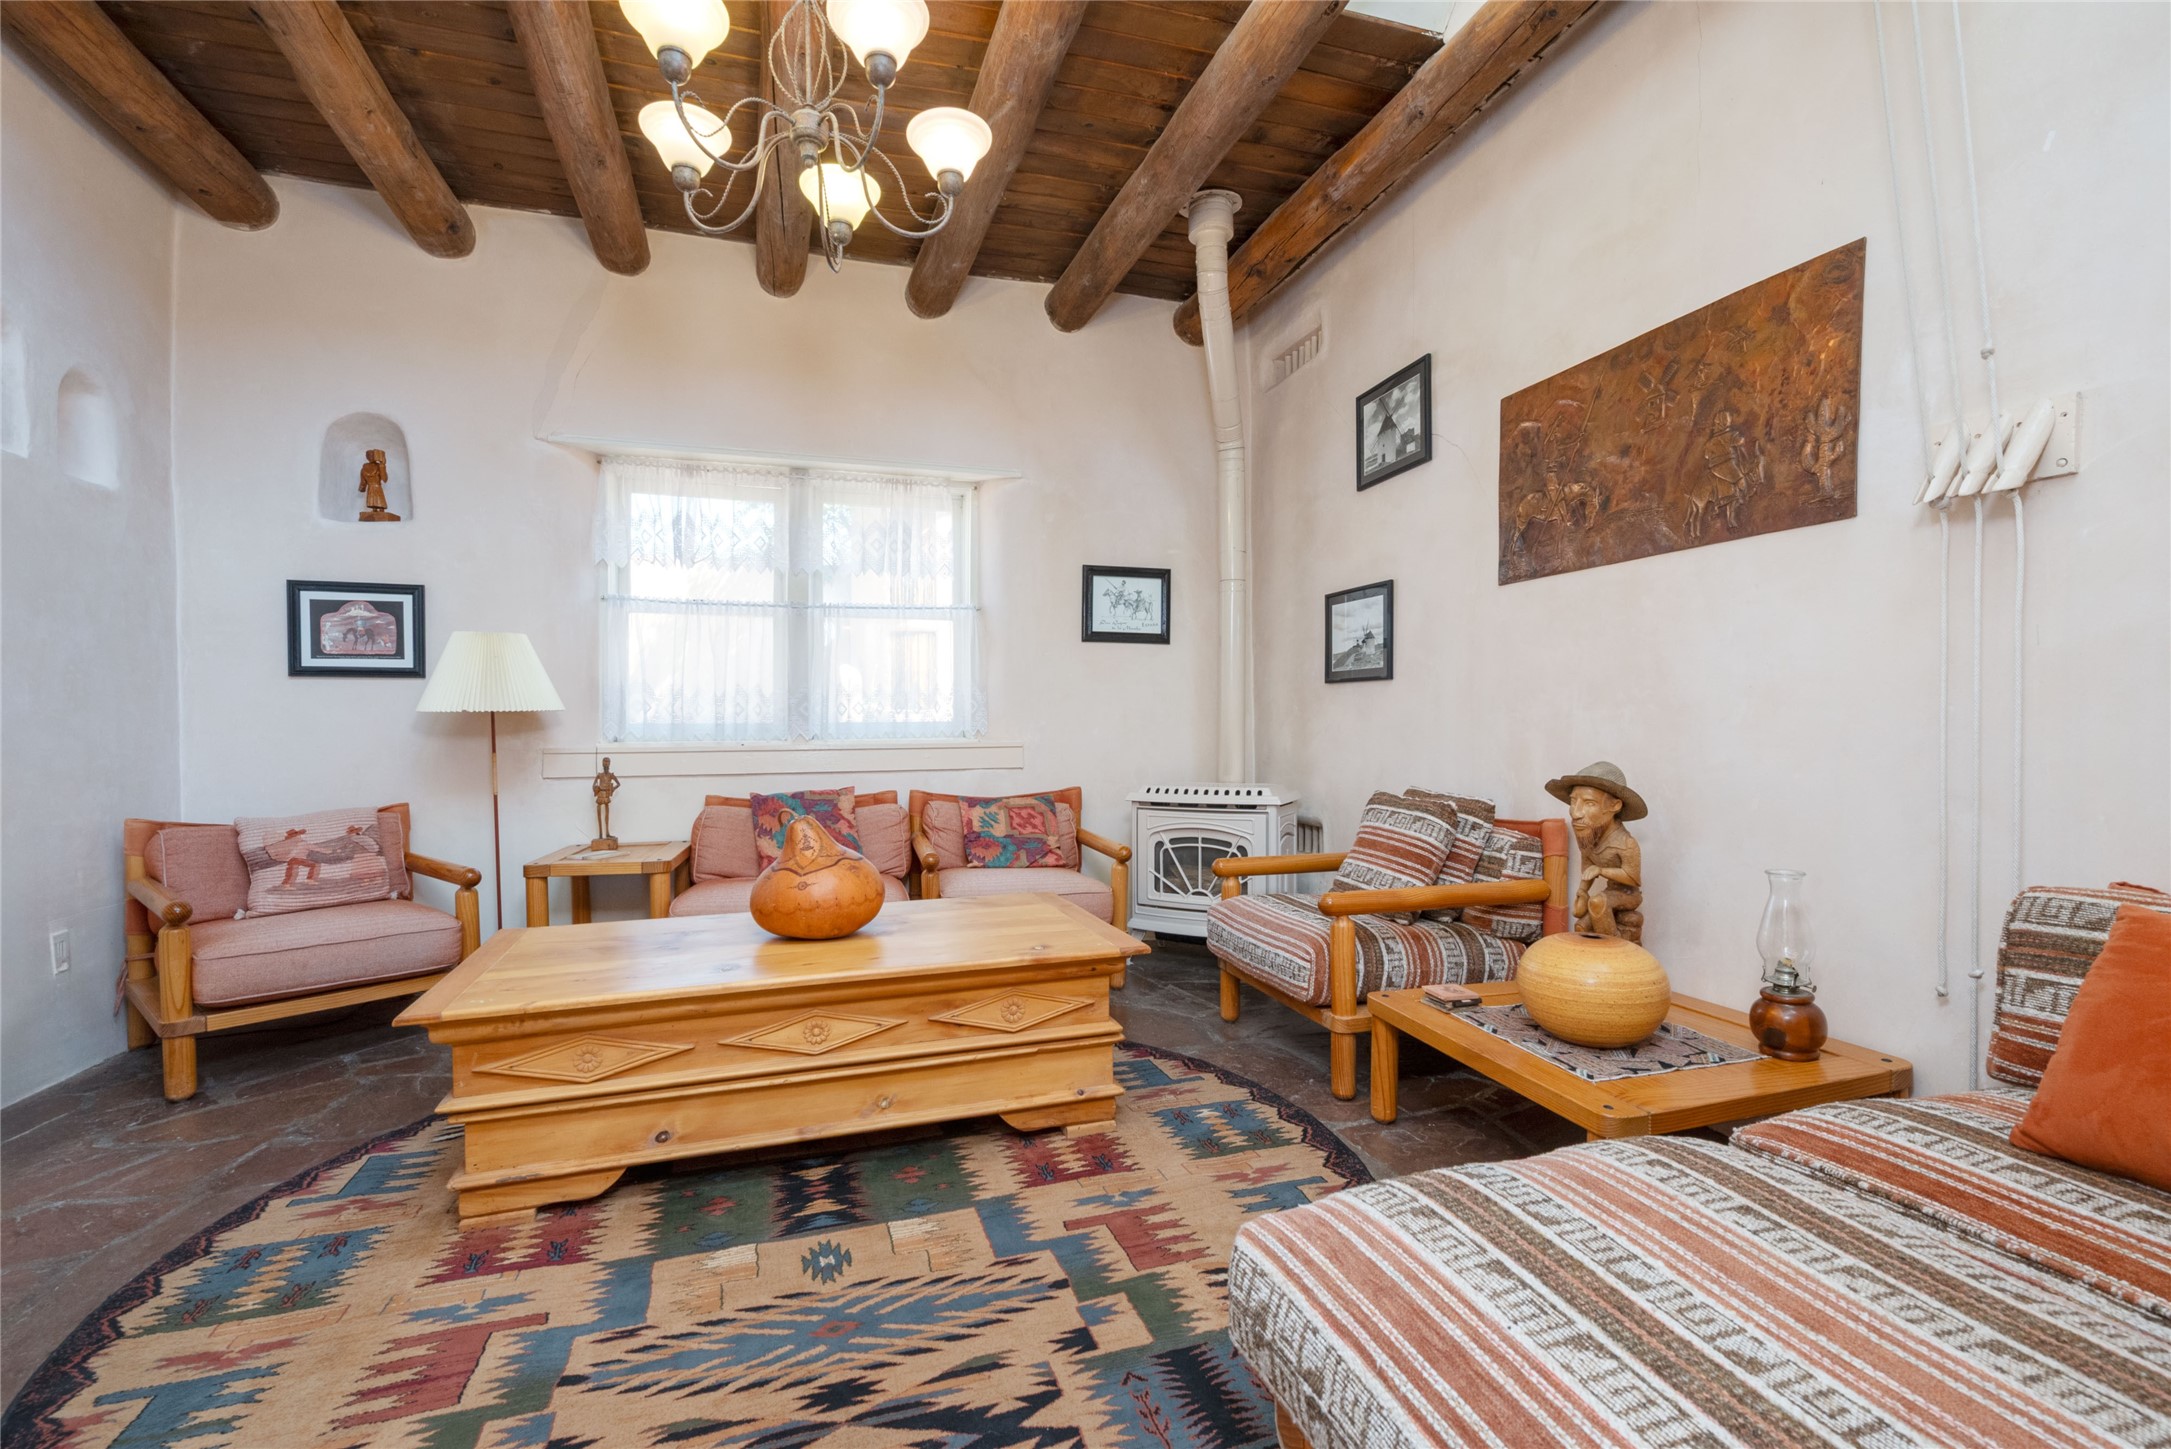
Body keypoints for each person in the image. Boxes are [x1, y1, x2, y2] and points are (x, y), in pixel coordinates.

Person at [1544, 760, 1646, 942]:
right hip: (1609, 892)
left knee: (1598, 902)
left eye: (1589, 803)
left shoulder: (1626, 843)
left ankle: (1616, 950)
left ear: (1615, 806)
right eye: (1573, 801)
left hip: (1629, 895)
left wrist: (1601, 871)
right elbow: (1587, 865)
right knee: (1581, 927)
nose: (1575, 813)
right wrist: (1582, 892)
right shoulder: (1588, 835)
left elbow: (1633, 877)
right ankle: (1597, 956)